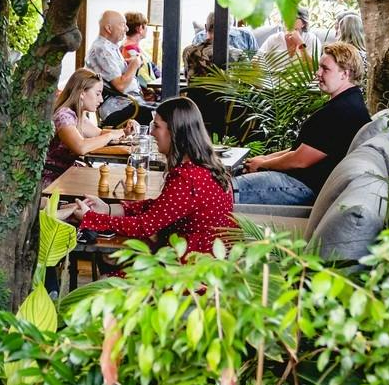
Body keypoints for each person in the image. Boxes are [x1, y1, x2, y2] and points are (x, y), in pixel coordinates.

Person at [63, 96, 236, 258]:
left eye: (157, 126)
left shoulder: (187, 178)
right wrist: (108, 209)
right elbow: (159, 208)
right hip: (208, 263)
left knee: (110, 272)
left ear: (174, 131)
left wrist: (92, 218)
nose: (152, 133)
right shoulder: (208, 168)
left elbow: (145, 226)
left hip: (186, 272)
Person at [235, 42, 371, 206]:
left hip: (303, 187)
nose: (317, 73)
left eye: (325, 69)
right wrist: (264, 158)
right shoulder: (346, 102)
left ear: (345, 74)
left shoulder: (343, 110)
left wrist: (263, 165)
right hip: (298, 181)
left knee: (225, 188)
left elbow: (300, 160)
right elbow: (302, 148)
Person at [42, 69, 129, 185]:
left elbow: (99, 134)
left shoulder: (77, 115)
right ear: (82, 93)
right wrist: (111, 135)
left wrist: (125, 131)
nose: (101, 99)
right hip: (52, 182)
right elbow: (80, 147)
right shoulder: (63, 115)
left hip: (66, 175)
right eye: (97, 94)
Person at [86, 9, 147, 127]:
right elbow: (120, 85)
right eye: (123, 25)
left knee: (164, 110)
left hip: (128, 103)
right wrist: (134, 65)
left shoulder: (110, 47)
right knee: (162, 114)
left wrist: (129, 64)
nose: (127, 29)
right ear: (109, 29)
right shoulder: (101, 49)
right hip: (116, 107)